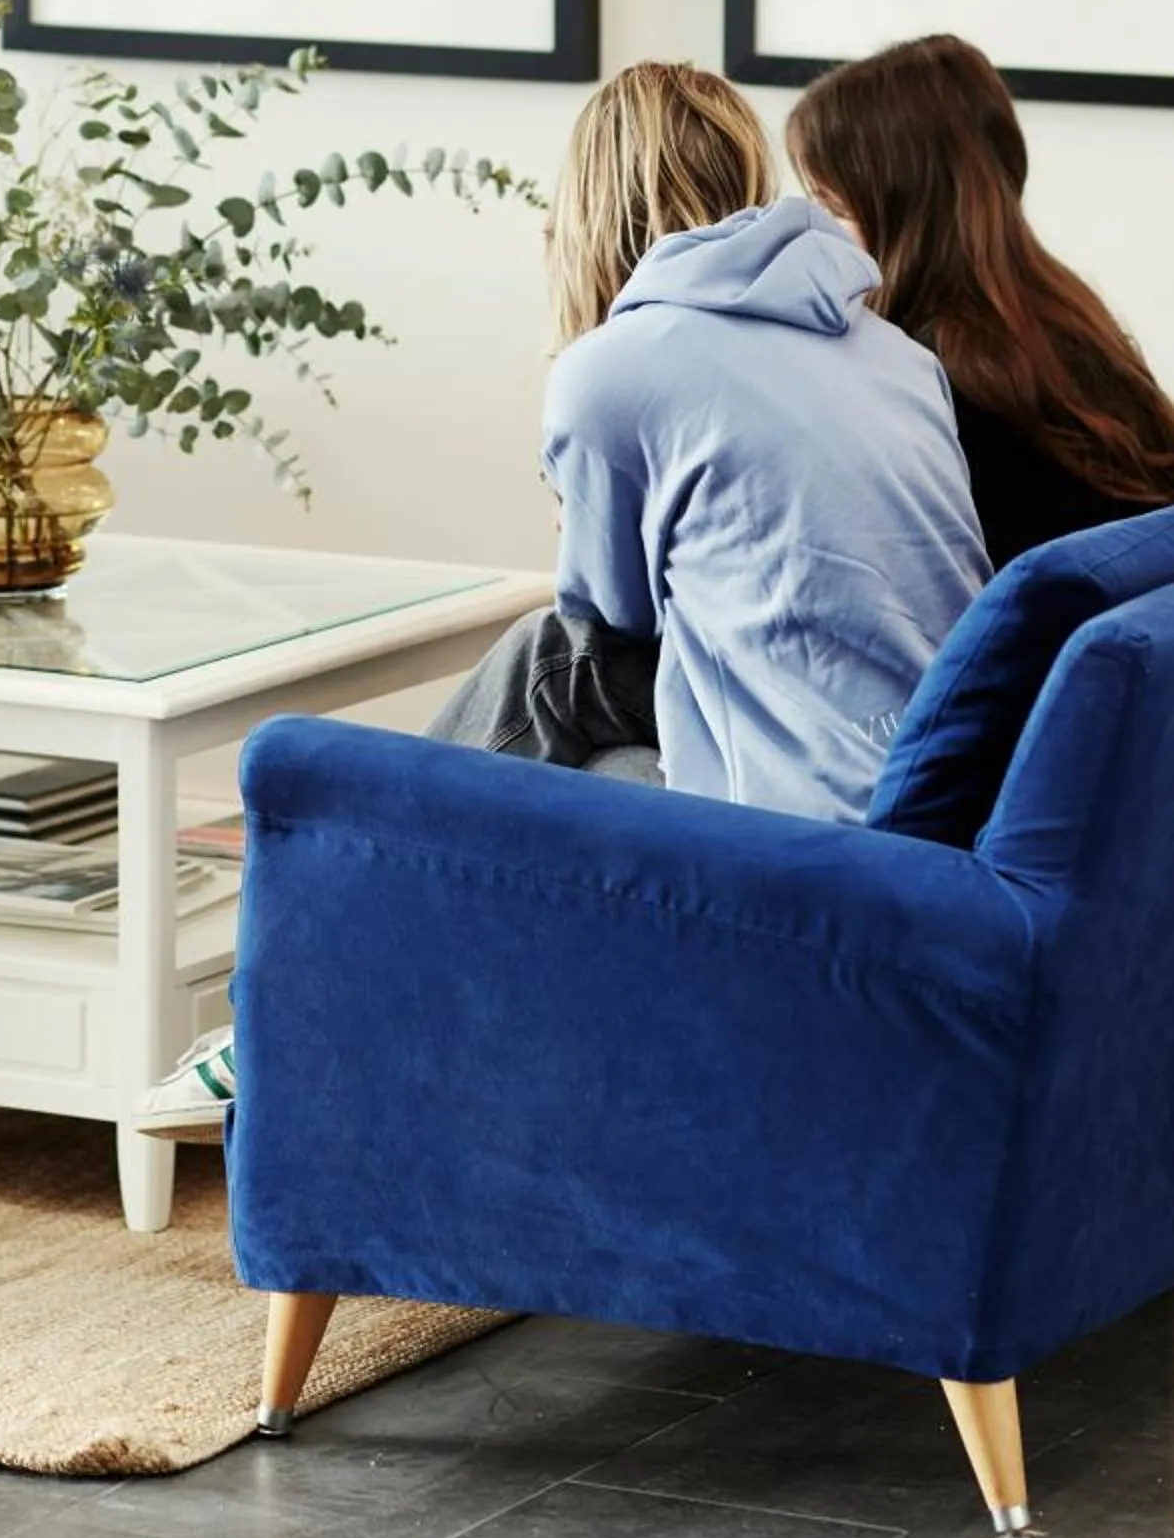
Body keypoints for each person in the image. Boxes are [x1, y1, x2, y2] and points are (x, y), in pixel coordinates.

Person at [138, 61, 991, 1140]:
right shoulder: (890, 350)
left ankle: (288, 1002)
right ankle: (307, 998)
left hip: (801, 853)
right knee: (564, 751)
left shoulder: (614, 371)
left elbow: (608, 620)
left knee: (550, 669)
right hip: (933, 816)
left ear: (588, 208)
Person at [786, 34, 1174, 568]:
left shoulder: (933, 374)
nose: (820, 234)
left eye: (835, 209)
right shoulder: (1068, 317)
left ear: (902, 209)